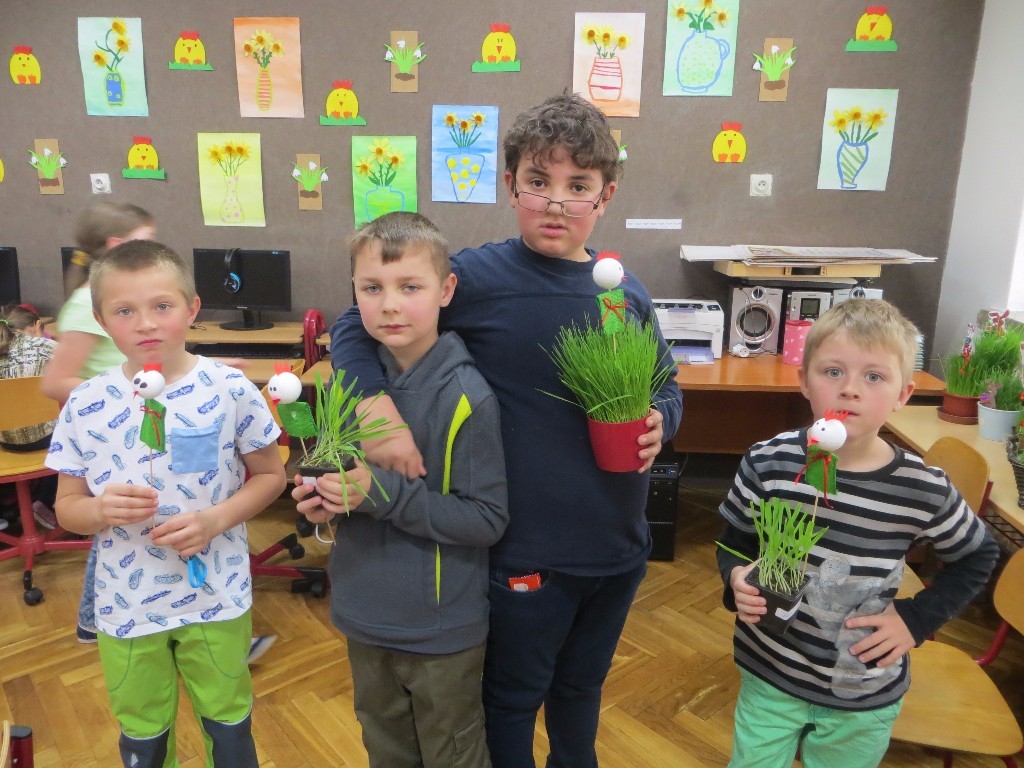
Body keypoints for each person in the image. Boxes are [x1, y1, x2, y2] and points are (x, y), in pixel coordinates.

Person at [330, 94, 683, 767]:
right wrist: (372, 405)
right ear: (510, 184)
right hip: (526, 552)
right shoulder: (476, 278)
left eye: (577, 186)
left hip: (617, 545)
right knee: (513, 700)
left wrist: (664, 418)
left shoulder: (621, 292)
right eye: (538, 182)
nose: (556, 203)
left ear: (605, 196)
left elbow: (664, 381)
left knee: (581, 690)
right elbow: (354, 321)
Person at [716, 298, 999, 768]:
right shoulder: (768, 461)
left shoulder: (921, 488)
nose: (849, 390)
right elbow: (735, 540)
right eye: (833, 372)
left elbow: (978, 555)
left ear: (903, 394)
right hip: (770, 672)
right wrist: (735, 576)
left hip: (863, 690)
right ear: (803, 381)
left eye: (873, 377)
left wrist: (916, 619)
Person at [46, 240, 286, 768]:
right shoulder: (85, 403)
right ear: (101, 321)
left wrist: (215, 520)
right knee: (143, 732)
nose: (146, 323)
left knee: (228, 722)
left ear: (192, 308)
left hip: (216, 595)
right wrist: (99, 511)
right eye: (124, 311)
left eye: (162, 305)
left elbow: (272, 475)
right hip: (127, 605)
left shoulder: (229, 387)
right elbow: (67, 508)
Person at [292, 212, 509, 767]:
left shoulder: (469, 397)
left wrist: (377, 494)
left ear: (446, 290)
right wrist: (321, 503)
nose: (389, 305)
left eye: (410, 287)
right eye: (372, 288)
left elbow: (486, 519)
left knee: (453, 754)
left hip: (440, 629)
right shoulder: (349, 388)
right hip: (362, 614)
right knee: (384, 749)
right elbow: (340, 484)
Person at [41, 202, 157, 642]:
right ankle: (95, 620)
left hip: (137, 426)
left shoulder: (122, 302)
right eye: (146, 242)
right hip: (111, 435)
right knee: (114, 527)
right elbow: (55, 382)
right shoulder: (84, 307)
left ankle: (102, 620)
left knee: (124, 523)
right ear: (117, 246)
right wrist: (127, 393)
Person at [0, 304, 57, 531]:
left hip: (5, 445)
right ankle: (48, 503)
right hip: (45, 441)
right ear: (36, 326)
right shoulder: (47, 347)